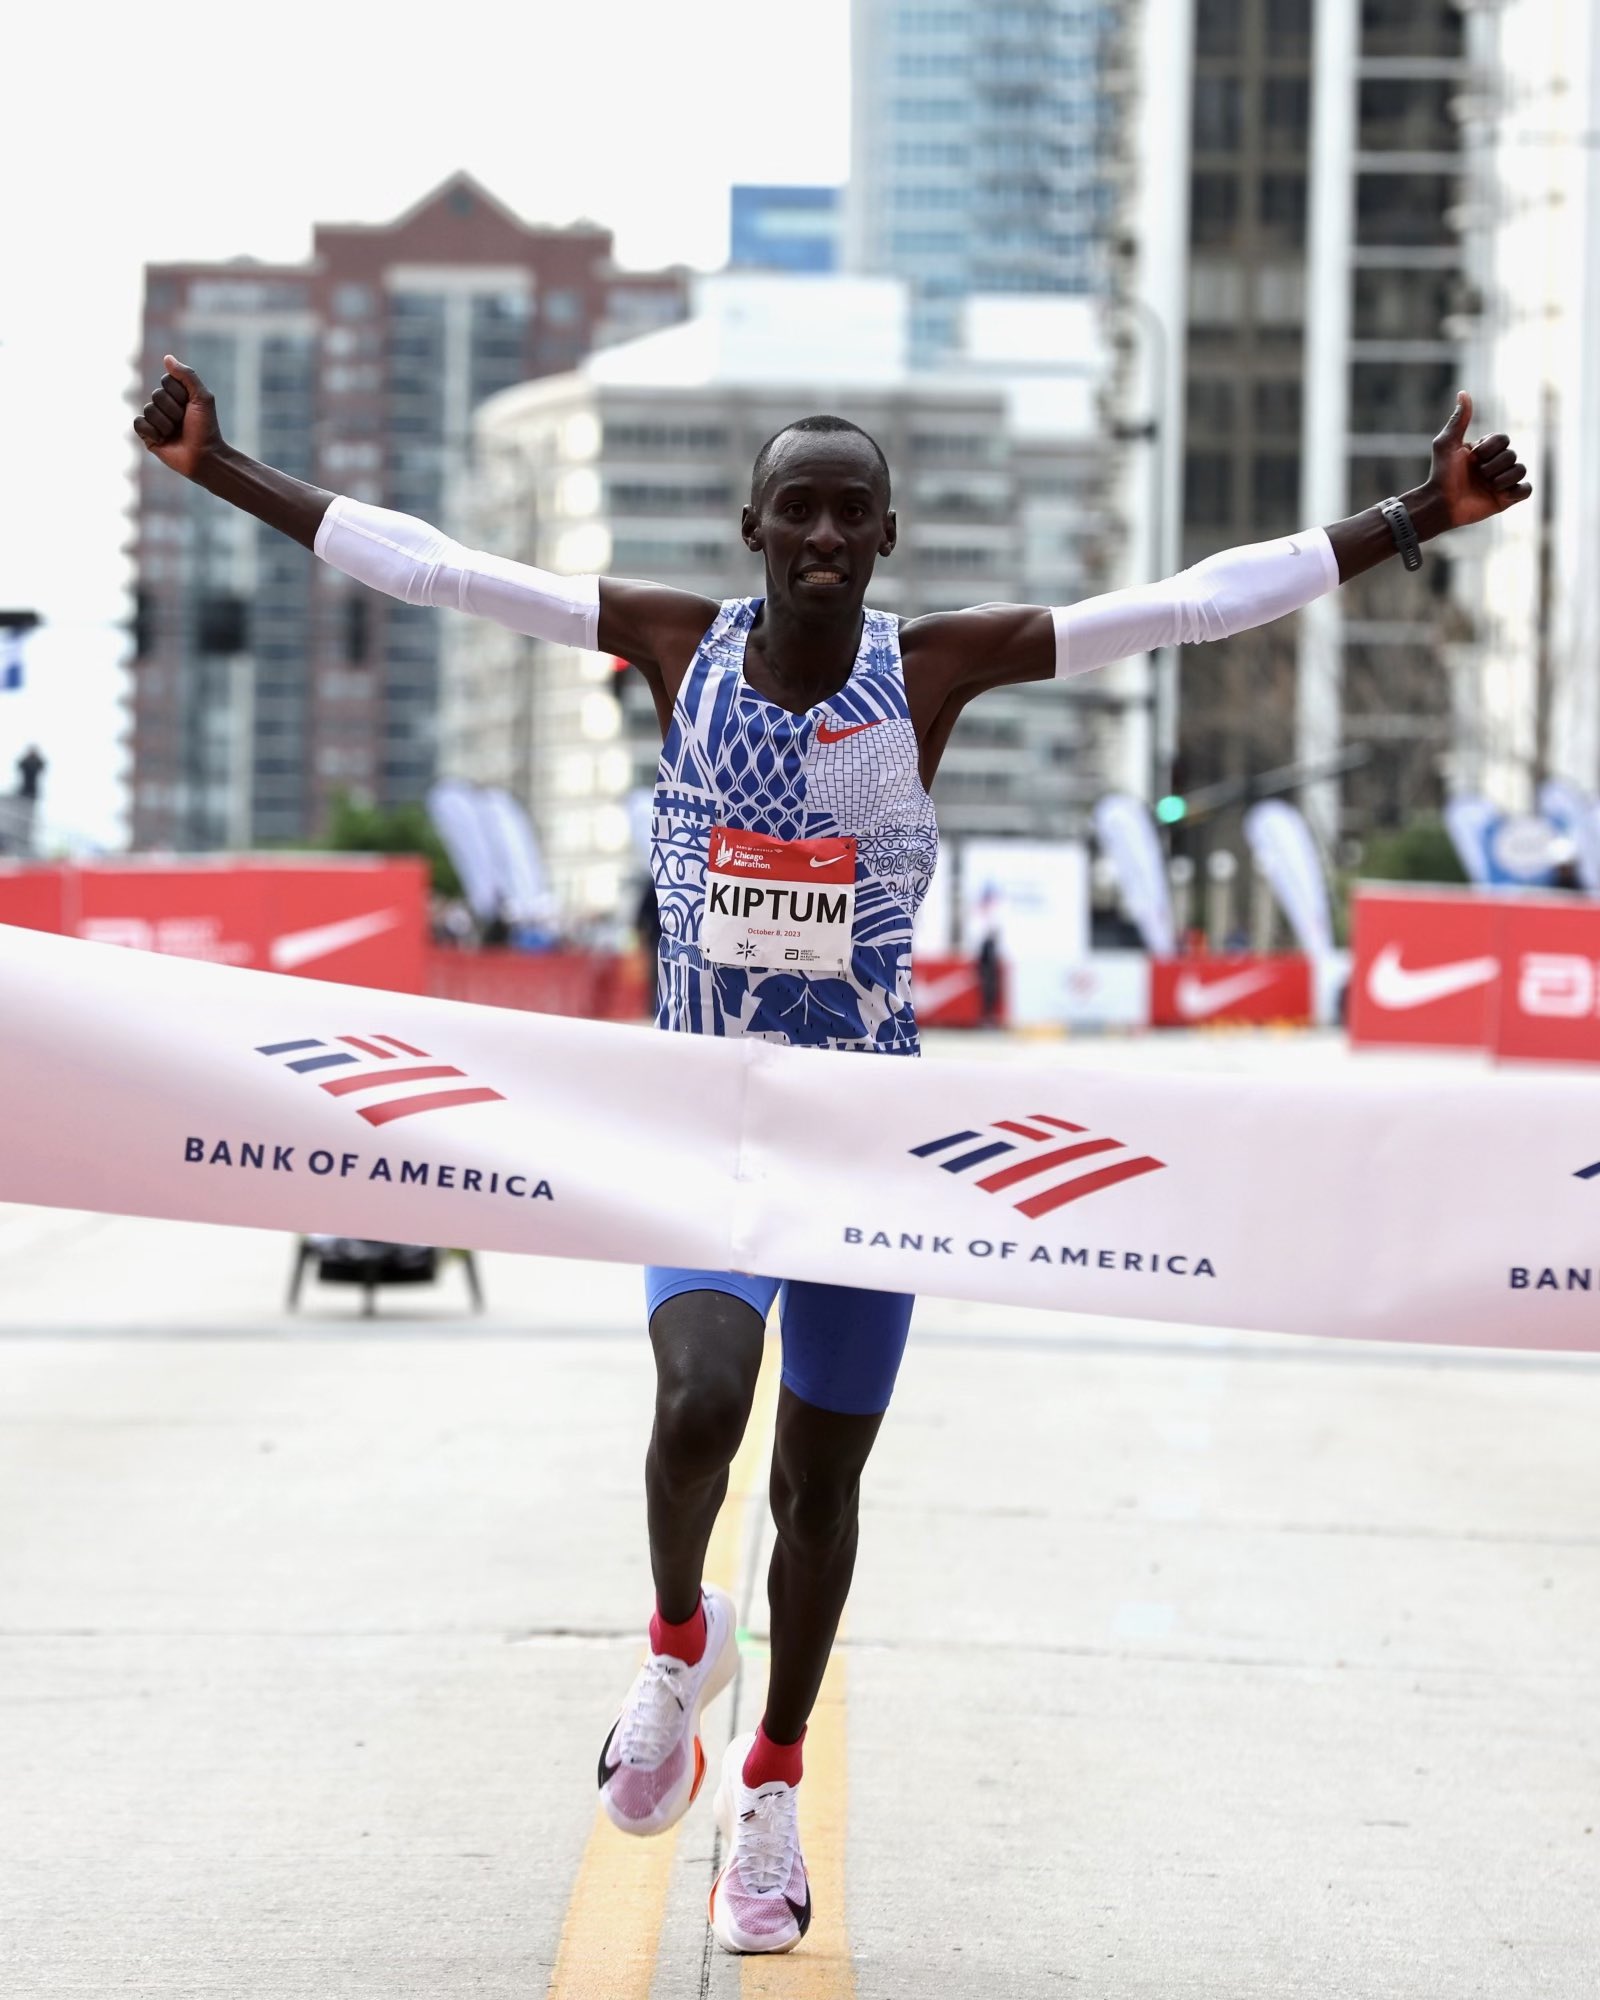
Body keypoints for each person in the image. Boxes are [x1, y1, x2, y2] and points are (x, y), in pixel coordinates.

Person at [134, 356, 1528, 1956]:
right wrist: (222, 472)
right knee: (696, 1408)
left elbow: (1188, 607)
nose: (817, 531)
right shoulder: (676, 647)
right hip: (702, 1125)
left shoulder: (931, 674)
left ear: (882, 537)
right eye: (791, 505)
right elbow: (442, 567)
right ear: (751, 525)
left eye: (845, 513)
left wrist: (1413, 517)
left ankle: (774, 1786)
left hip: (870, 1143)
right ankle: (675, 1650)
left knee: (821, 1486)